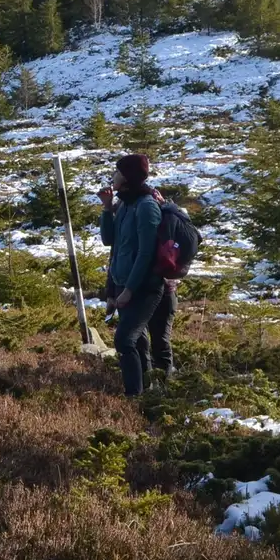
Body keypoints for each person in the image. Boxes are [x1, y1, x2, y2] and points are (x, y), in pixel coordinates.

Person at [97, 153, 174, 396]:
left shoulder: (146, 207)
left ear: (128, 177)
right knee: (139, 342)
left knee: (124, 340)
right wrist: (107, 209)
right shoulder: (124, 205)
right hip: (123, 285)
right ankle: (147, 394)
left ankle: (134, 396)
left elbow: (146, 254)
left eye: (118, 171)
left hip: (144, 287)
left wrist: (129, 289)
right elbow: (112, 244)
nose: (113, 175)